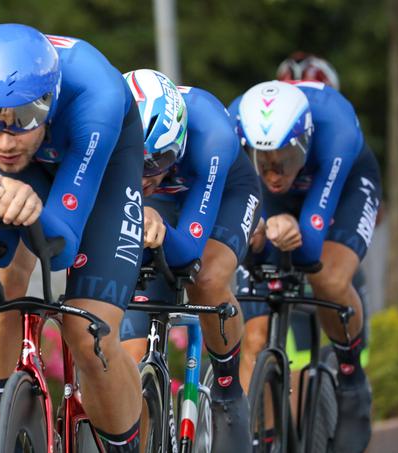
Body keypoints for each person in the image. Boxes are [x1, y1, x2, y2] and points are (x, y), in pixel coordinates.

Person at [0, 23, 145, 452]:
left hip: (99, 170)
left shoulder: (94, 93)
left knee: (89, 330)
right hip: (25, 175)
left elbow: (60, 246)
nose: (6, 139)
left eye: (25, 119)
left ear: (50, 101)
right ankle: (0, 432)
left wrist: (32, 206)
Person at [230, 80, 381, 453]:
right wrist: (259, 235)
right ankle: (261, 440)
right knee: (253, 337)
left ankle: (351, 379)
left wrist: (293, 232)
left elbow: (310, 245)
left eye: (285, 160)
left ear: (304, 141)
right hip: (274, 206)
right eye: (263, 162)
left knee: (327, 276)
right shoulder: (232, 127)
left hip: (343, 187)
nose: (274, 174)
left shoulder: (337, 130)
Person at [119, 69, 261, 452]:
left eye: (156, 162)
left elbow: (187, 255)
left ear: (178, 145)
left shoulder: (211, 135)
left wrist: (157, 220)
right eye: (134, 163)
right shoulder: (106, 127)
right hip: (162, 204)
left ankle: (228, 390)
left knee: (207, 279)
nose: (144, 176)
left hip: (224, 191)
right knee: (129, 358)